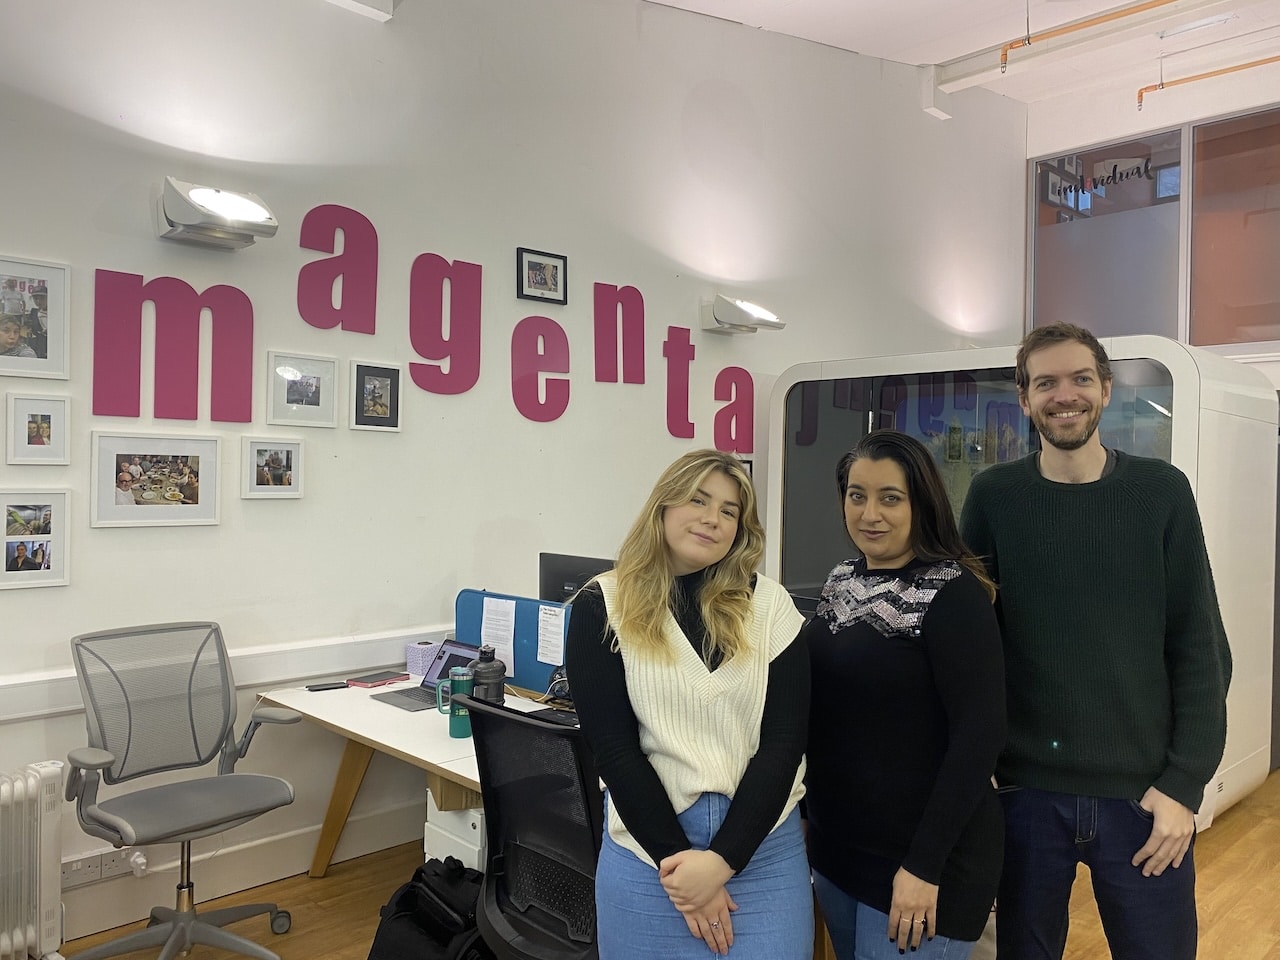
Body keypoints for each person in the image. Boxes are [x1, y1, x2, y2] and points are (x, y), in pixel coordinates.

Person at [960, 322, 1231, 960]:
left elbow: (1200, 648)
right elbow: (970, 648)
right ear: (1024, 399)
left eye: (1081, 378)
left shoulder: (1160, 492)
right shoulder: (994, 497)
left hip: (1143, 802)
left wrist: (1185, 786)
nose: (1065, 395)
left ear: (1105, 390)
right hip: (1025, 799)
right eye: (1045, 382)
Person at [564, 449, 811, 959]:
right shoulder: (602, 607)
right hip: (648, 850)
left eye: (728, 510)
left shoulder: (771, 608)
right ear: (663, 506)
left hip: (762, 844)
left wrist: (721, 863)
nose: (712, 519)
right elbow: (614, 752)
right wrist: (680, 865)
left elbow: (784, 747)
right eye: (698, 500)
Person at [802, 430, 1005, 959]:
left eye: (890, 497)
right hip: (839, 850)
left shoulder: (954, 593)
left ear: (922, 503)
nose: (870, 513)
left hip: (920, 862)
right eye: (856, 494)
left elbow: (978, 739)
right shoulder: (841, 580)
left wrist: (923, 866)